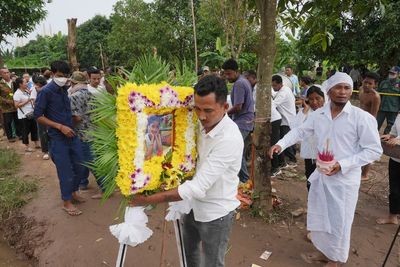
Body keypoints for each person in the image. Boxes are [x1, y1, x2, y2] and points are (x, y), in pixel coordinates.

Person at [269, 72, 382, 266]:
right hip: (322, 176)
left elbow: (374, 151)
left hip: (344, 181)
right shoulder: (319, 115)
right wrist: (281, 143)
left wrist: (343, 165)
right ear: (328, 91)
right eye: (338, 87)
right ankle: (324, 251)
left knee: (340, 221)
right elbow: (300, 131)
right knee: (321, 215)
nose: (342, 92)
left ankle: (335, 259)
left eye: (347, 88)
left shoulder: (361, 118)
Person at [129, 75, 242, 267]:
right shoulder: (199, 123)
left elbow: (197, 187)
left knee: (212, 263)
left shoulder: (229, 139)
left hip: (215, 213)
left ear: (225, 107)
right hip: (190, 207)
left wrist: (147, 200)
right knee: (188, 254)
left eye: (208, 110)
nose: (201, 116)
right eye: (197, 109)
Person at [34, 60, 85, 216]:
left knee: (80, 165)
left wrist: (73, 117)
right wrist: (59, 126)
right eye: (59, 76)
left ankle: (74, 192)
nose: (63, 78)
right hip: (57, 137)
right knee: (65, 171)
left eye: (65, 76)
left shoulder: (64, 89)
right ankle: (67, 202)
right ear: (52, 73)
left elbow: (62, 111)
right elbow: (38, 116)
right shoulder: (46, 91)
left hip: (72, 134)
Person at [291, 86, 325, 190]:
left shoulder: (329, 112)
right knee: (310, 179)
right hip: (310, 154)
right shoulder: (305, 112)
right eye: (311, 99)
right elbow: (294, 128)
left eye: (317, 98)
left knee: (324, 182)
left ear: (323, 98)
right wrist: (305, 110)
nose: (314, 102)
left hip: (325, 154)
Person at [377, 113, 400, 225]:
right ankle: (392, 216)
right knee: (394, 189)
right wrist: (390, 136)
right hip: (396, 157)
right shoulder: (399, 115)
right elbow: (395, 132)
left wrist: (399, 139)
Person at [359, 72, 381, 181]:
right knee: (358, 146)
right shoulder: (360, 91)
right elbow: (360, 106)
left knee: (368, 148)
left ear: (375, 85)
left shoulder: (375, 97)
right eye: (365, 82)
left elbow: (373, 115)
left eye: (370, 83)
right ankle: (358, 168)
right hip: (359, 122)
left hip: (369, 124)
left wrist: (369, 129)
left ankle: (365, 174)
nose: (367, 84)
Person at [271, 74, 297, 168]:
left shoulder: (283, 92)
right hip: (287, 118)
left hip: (287, 120)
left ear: (280, 84)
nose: (273, 88)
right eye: (272, 86)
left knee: (286, 140)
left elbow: (273, 104)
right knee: (285, 139)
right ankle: (286, 161)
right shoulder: (284, 89)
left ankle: (292, 160)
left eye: (274, 86)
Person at [13, 78, 39, 151]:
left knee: (34, 129)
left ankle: (36, 143)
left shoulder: (26, 91)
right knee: (25, 131)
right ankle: (27, 147)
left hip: (31, 113)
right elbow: (16, 105)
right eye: (25, 82)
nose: (27, 83)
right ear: (20, 84)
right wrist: (27, 101)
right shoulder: (17, 93)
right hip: (24, 115)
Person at [377, 66, 400, 134]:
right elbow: (378, 95)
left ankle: (385, 141)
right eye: (390, 73)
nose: (391, 75)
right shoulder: (383, 83)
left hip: (393, 109)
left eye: (393, 73)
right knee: (376, 124)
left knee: (390, 127)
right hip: (382, 107)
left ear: (398, 74)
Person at [31, 76, 49, 160]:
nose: (37, 86)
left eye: (38, 85)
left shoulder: (48, 88)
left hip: (50, 114)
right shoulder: (34, 90)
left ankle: (52, 148)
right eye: (36, 84)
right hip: (40, 115)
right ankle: (45, 151)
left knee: (52, 131)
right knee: (42, 132)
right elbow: (34, 102)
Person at [0, 67, 19, 142]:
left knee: (17, 120)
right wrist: (7, 101)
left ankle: (19, 134)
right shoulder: (1, 84)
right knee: (7, 122)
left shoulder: (14, 82)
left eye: (8, 72)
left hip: (16, 105)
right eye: (4, 73)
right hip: (6, 108)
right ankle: (10, 137)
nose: (7, 74)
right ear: (1, 74)